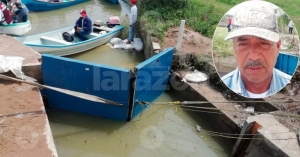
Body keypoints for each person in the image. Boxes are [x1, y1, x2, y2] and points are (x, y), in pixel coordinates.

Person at [221, 1, 292, 98]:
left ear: (278, 46)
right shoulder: (223, 85)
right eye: (243, 44)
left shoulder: (291, 86)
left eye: (264, 43)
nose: (254, 57)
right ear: (234, 49)